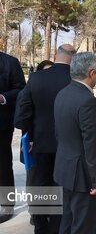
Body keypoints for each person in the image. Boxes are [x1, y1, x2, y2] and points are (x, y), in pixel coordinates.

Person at [17, 44, 75, 233]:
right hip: (67, 144)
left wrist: (30, 137)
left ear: (55, 55)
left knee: (41, 186)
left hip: (40, 142)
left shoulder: (36, 77)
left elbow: (24, 111)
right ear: (72, 58)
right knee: (62, 187)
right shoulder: (75, 79)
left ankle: (40, 226)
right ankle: (57, 228)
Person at [54, 52, 96, 233]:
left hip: (64, 168)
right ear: (91, 73)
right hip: (82, 176)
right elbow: (92, 144)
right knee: (83, 225)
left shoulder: (62, 93)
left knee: (67, 221)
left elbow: (59, 134)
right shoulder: (87, 101)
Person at [0, 51, 26, 223]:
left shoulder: (10, 62)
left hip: (1, 124)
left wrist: (3, 97)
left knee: (2, 164)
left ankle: (6, 205)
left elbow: (21, 89)